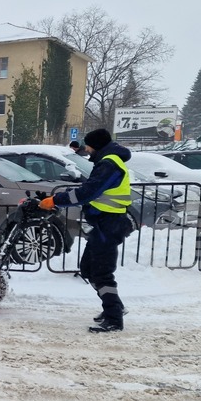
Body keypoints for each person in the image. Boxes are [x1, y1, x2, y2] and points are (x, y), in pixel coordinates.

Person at [40, 128, 132, 333]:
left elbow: (88, 192)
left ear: (96, 145)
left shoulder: (109, 164)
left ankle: (114, 319)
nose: (87, 150)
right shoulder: (107, 162)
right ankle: (114, 307)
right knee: (88, 269)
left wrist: (56, 200)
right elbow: (91, 189)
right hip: (103, 224)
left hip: (109, 224)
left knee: (101, 272)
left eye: (88, 146)